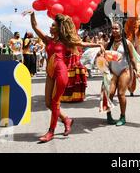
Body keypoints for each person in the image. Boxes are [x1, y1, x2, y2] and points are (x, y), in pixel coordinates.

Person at [23, 10, 102, 142]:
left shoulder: (67, 42)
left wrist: (98, 44)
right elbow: (35, 26)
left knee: (55, 102)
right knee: (48, 103)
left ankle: (51, 132)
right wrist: (32, 14)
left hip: (61, 74)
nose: (50, 27)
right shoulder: (47, 40)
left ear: (59, 28)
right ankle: (67, 119)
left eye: (53, 25)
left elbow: (82, 44)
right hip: (50, 73)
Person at [104, 22, 139, 126]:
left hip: (125, 70)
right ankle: (109, 116)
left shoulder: (127, 43)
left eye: (116, 28)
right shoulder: (108, 44)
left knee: (120, 94)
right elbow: (103, 57)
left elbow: (132, 58)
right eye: (113, 28)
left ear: (121, 30)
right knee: (109, 93)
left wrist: (136, 70)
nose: (114, 30)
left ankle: (122, 117)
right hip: (112, 71)